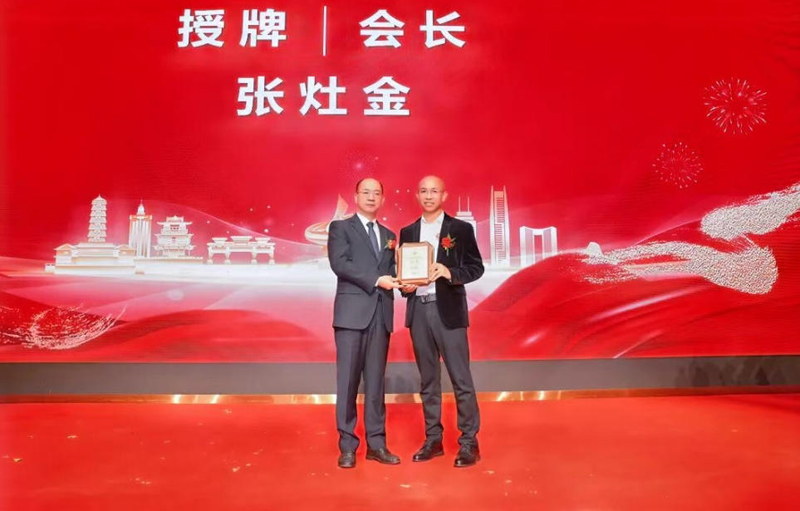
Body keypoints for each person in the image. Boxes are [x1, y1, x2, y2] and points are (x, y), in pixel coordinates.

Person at [399, 175, 485, 468]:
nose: (428, 196)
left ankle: (469, 442)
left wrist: (450, 273)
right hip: (418, 312)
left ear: (444, 196)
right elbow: (404, 274)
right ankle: (433, 439)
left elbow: (476, 267)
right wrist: (405, 287)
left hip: (448, 311)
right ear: (417, 195)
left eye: (434, 191)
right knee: (428, 381)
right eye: (423, 191)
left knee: (461, 379)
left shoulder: (460, 229)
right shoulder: (408, 231)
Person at [327, 177, 401, 469]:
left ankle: (377, 444)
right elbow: (340, 264)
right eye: (366, 192)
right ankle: (347, 446)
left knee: (376, 383)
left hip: (380, 316)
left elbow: (393, 270)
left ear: (383, 199)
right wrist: (376, 280)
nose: (371, 197)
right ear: (356, 197)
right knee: (347, 382)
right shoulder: (340, 228)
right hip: (350, 316)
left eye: (377, 193)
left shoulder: (389, 235)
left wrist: (407, 280)